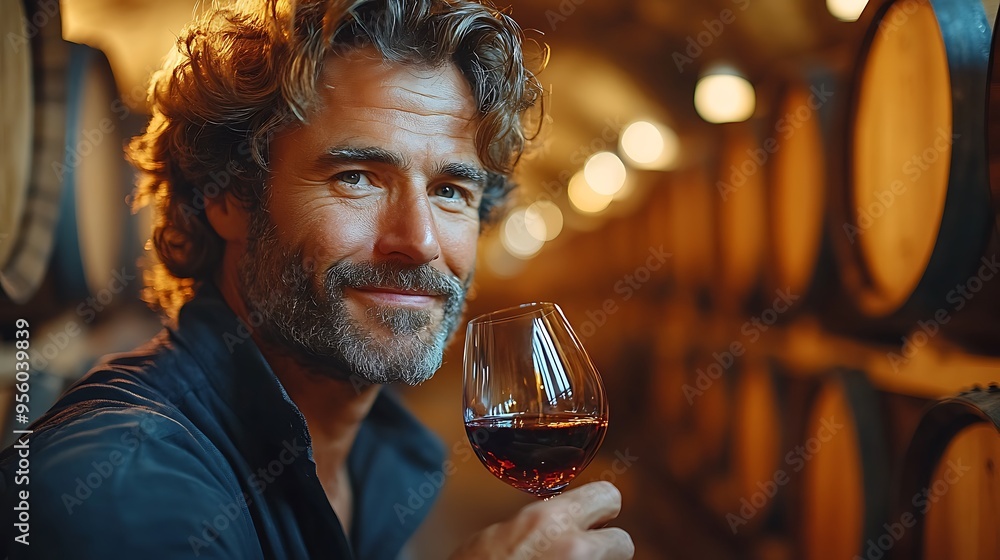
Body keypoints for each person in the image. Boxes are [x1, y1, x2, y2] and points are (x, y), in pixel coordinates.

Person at [0, 0, 635, 558]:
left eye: (449, 190)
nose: (417, 241)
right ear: (231, 199)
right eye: (356, 177)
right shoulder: (117, 490)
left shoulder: (379, 463)